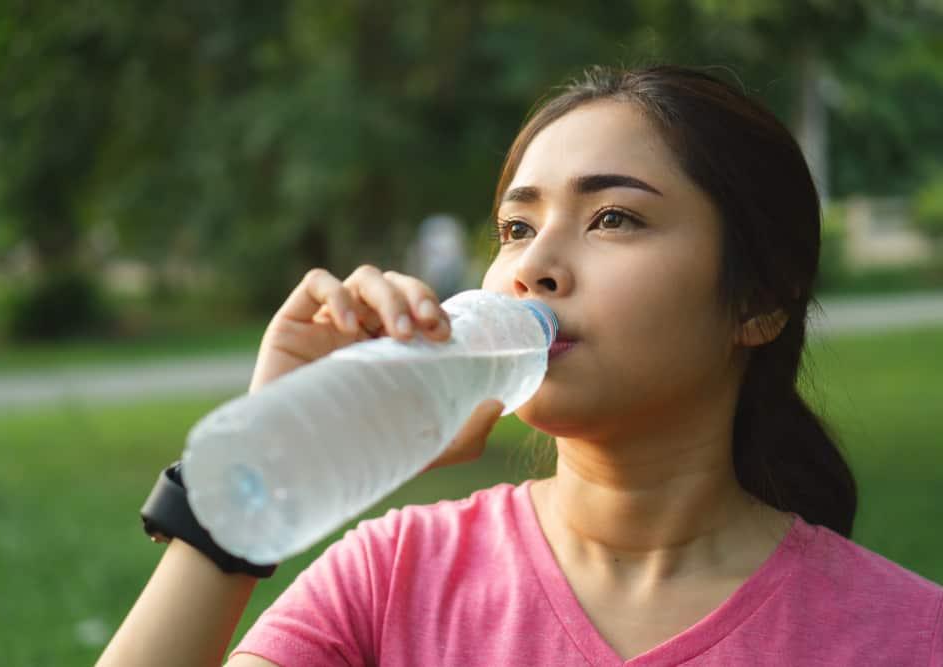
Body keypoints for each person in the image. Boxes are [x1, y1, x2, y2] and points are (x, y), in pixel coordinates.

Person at [97, 66, 943, 667]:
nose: (534, 266)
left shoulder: (907, 633)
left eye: (613, 218)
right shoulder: (396, 577)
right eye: (515, 228)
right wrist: (263, 471)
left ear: (760, 299)